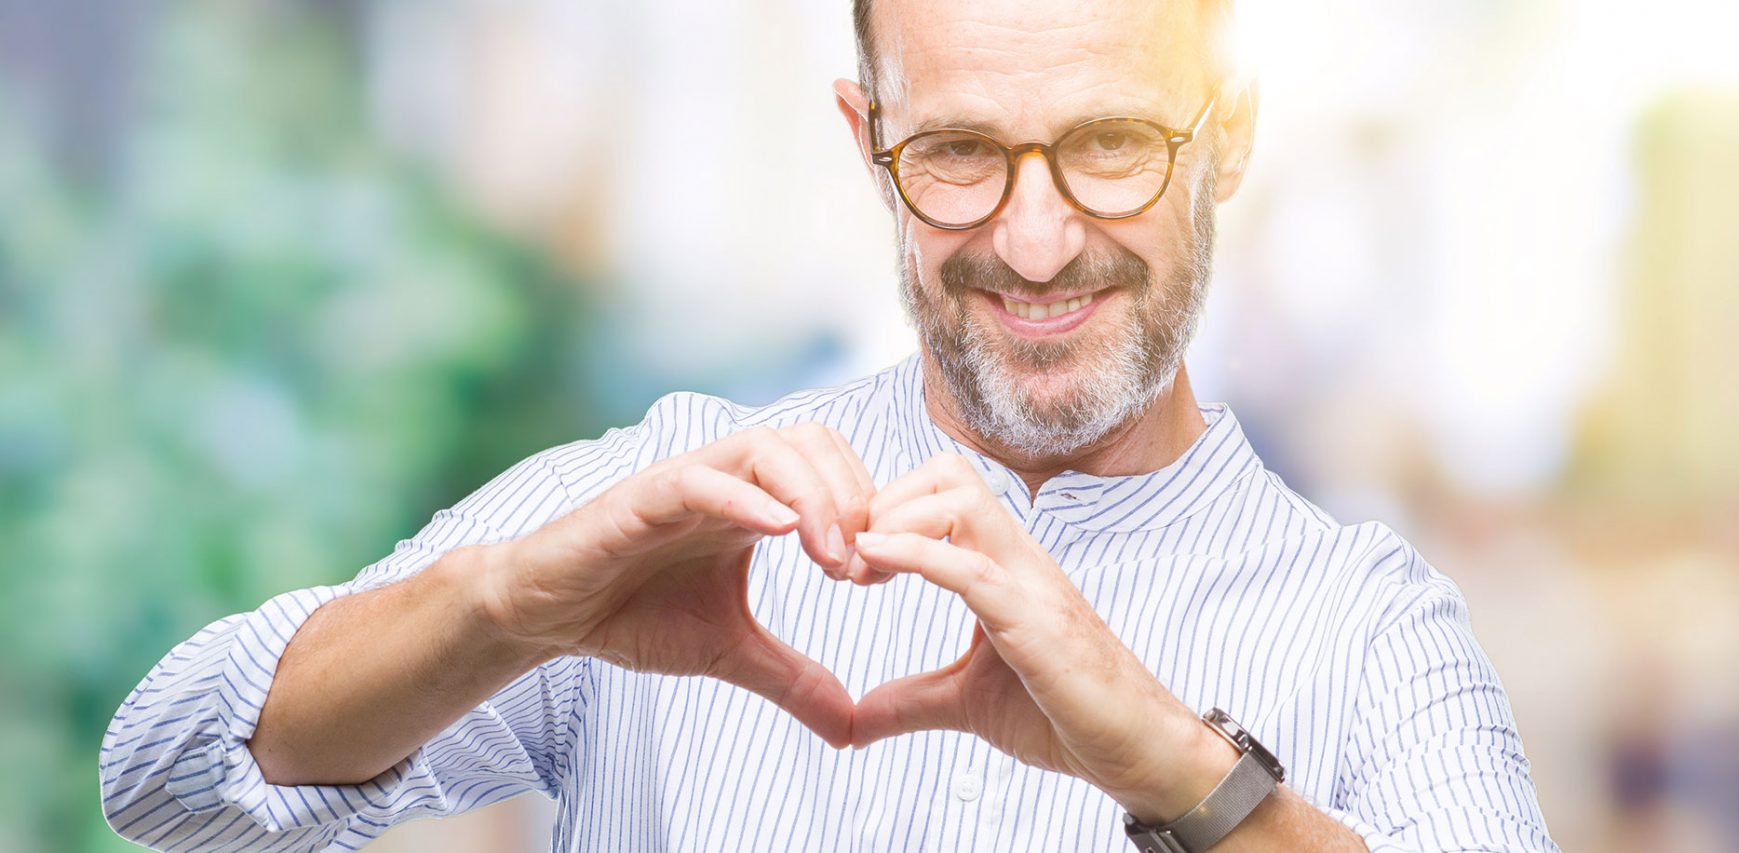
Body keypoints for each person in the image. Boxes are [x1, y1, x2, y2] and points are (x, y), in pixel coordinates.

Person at [100, 0, 1556, 849]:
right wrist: (502, 602)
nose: (1037, 242)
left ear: (1228, 132)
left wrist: (1183, 769)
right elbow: (165, 777)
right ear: (869, 145)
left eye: (1112, 144)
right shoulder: (675, 503)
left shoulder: (1375, 632)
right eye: (960, 154)